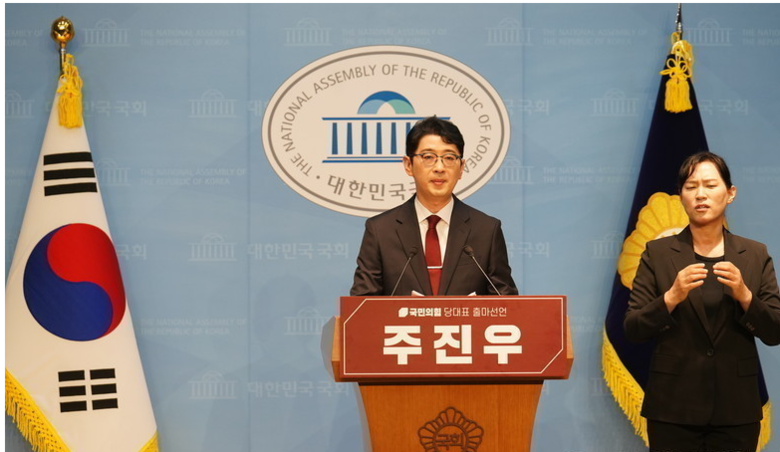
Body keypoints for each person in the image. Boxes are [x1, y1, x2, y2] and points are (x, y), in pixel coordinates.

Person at [624, 152, 780, 452]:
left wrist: (745, 295)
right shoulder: (657, 253)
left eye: (710, 185)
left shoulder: (755, 254)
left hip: (736, 410)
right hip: (672, 409)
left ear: (730, 193)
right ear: (681, 195)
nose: (700, 194)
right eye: (691, 186)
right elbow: (634, 328)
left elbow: (775, 331)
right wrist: (671, 297)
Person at [350, 116, 518, 296]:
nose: (439, 167)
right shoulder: (381, 231)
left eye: (449, 157)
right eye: (428, 157)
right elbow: (362, 305)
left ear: (461, 167)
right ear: (408, 165)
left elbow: (506, 304)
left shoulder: (486, 230)